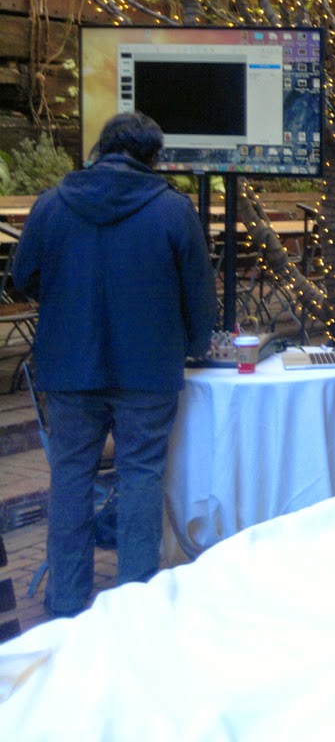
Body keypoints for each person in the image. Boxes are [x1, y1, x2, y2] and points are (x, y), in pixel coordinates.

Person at [14, 112, 216, 617]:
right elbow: (199, 295)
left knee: (70, 478)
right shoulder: (173, 210)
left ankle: (66, 603)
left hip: (67, 366)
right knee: (141, 475)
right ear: (153, 157)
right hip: (148, 368)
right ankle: (133, 607)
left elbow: (21, 278)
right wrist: (196, 345)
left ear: (101, 149)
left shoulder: (52, 204)